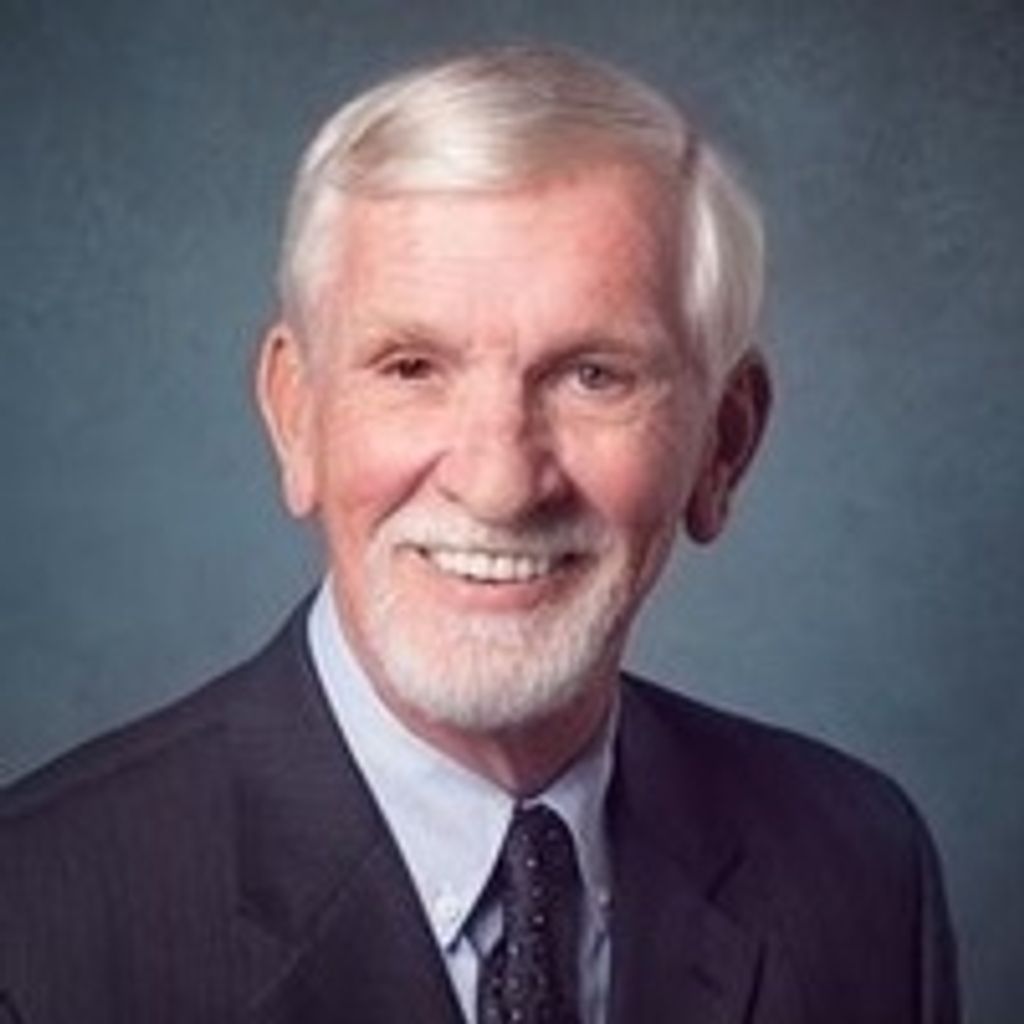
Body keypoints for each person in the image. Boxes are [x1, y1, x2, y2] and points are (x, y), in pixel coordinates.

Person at [0, 44, 959, 1024]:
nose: (500, 485)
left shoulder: (861, 869)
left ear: (724, 444)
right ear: (297, 418)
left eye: (593, 375)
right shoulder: (30, 930)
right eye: (412, 367)